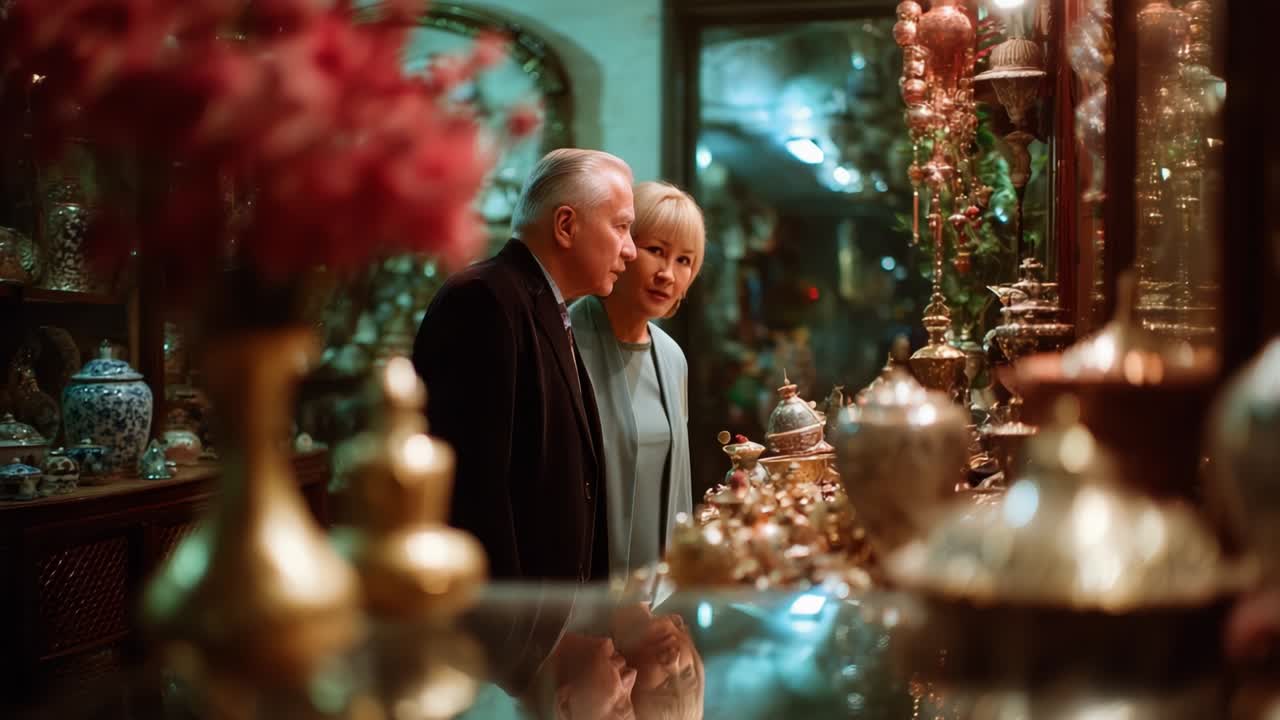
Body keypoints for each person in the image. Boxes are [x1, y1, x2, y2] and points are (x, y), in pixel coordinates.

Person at [413, 148, 637, 582]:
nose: (630, 250)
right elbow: (476, 495)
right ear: (566, 225)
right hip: (515, 632)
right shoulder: (483, 300)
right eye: (622, 227)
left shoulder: (544, 305)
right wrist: (519, 638)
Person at [569, 181, 706, 581]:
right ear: (625, 247)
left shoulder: (671, 357)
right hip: (579, 600)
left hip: (655, 593)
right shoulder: (564, 341)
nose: (667, 274)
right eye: (657, 251)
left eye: (684, 261)